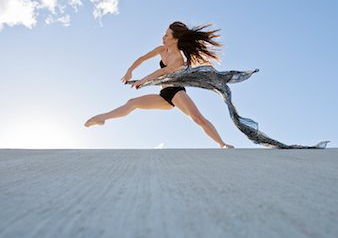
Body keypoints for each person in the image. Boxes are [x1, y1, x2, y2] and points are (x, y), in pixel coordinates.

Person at [84, 21, 234, 149]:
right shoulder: (161, 50)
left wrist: (144, 80)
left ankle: (222, 144)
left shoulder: (178, 59)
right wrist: (130, 70)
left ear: (175, 40)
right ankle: (102, 118)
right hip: (164, 95)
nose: (163, 37)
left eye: (167, 35)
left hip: (176, 92)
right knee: (132, 103)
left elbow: (165, 70)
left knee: (197, 118)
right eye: (164, 34)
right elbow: (142, 58)